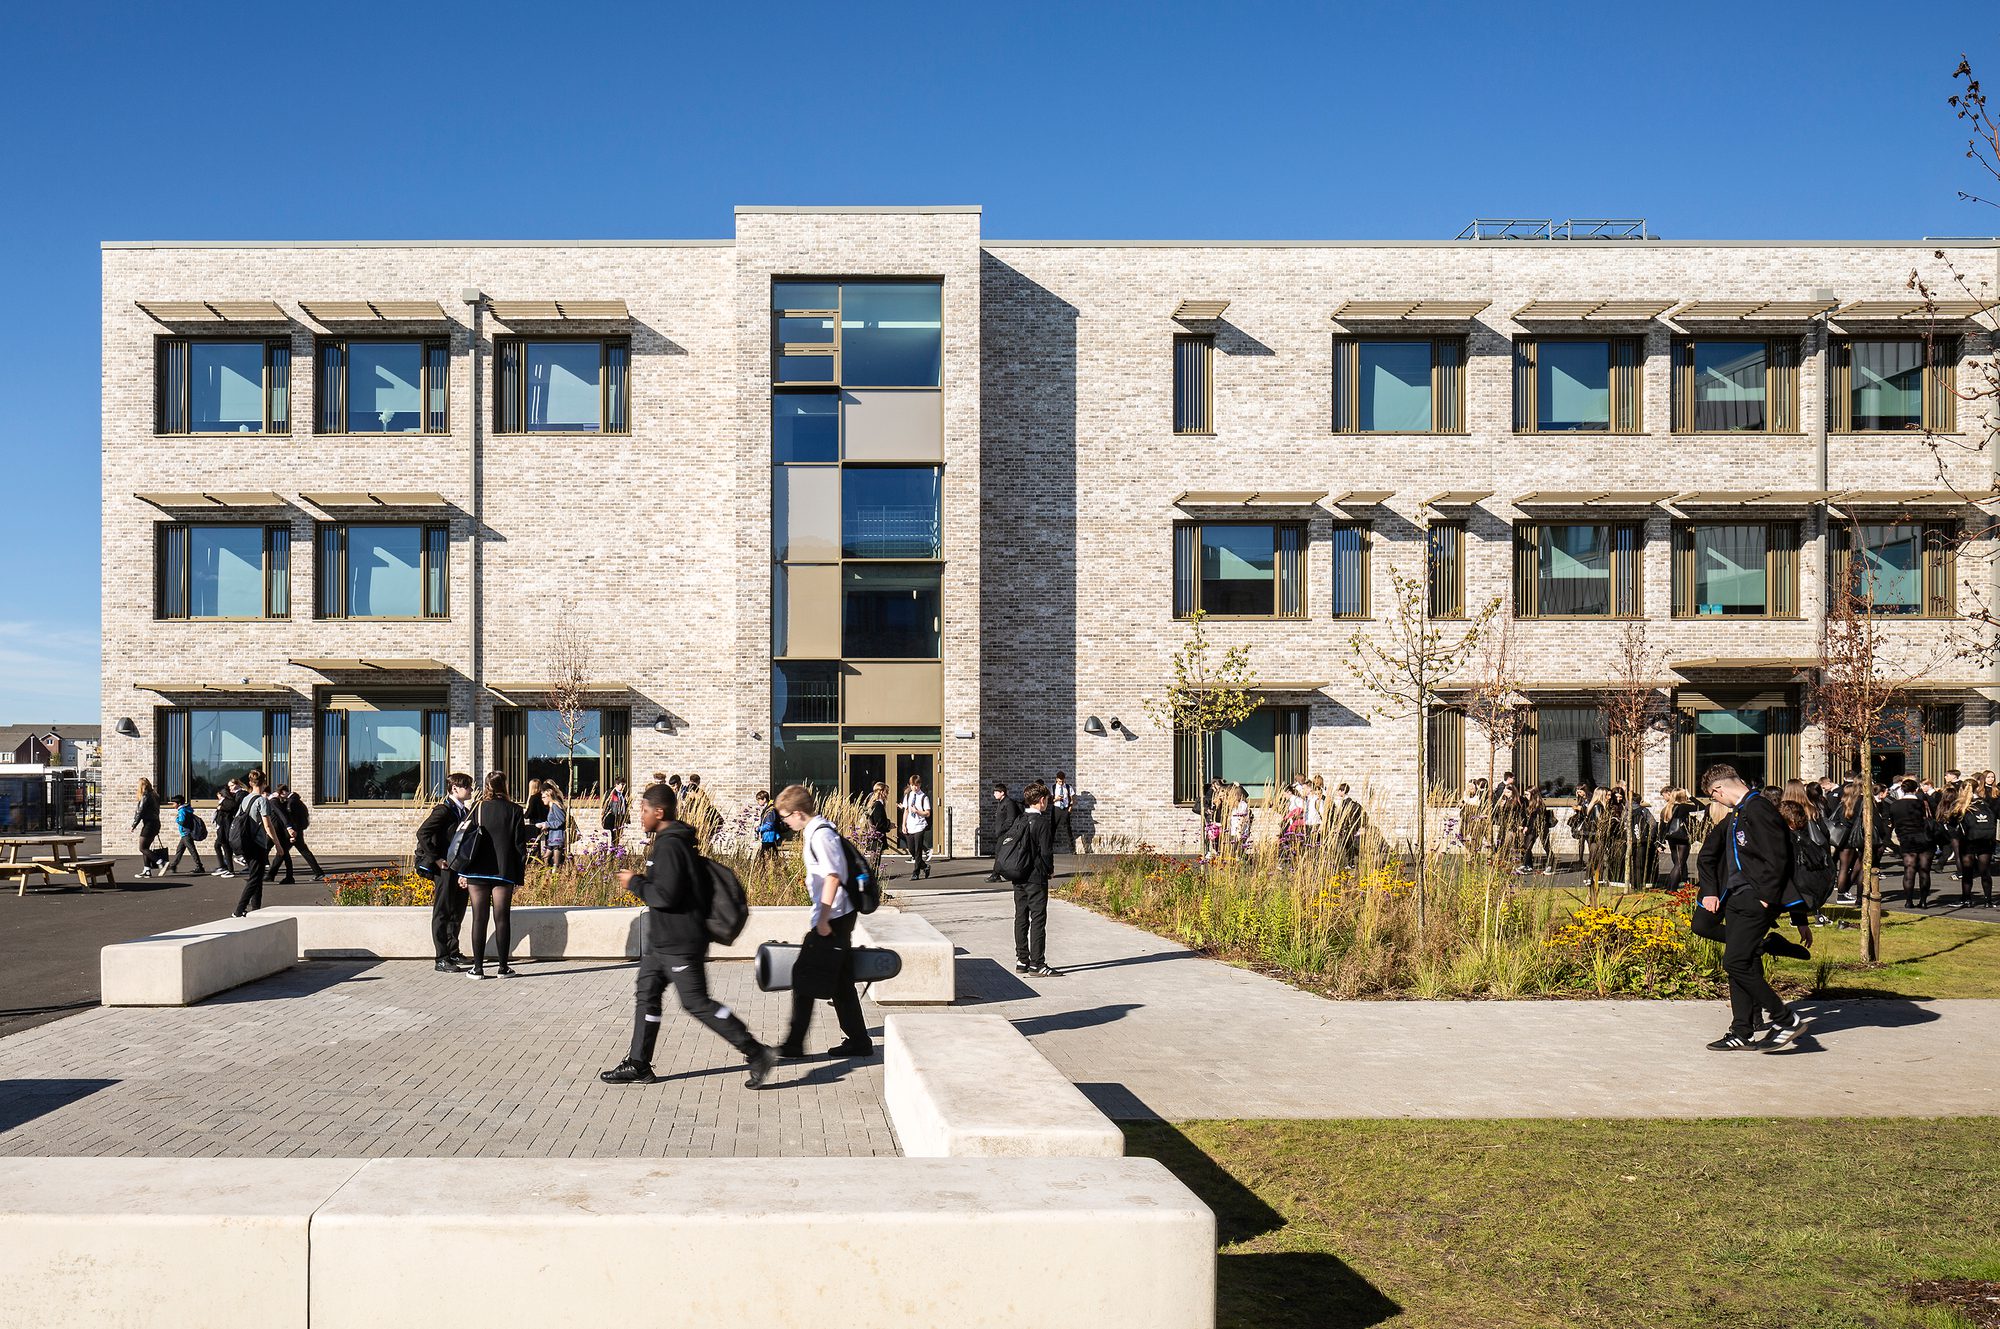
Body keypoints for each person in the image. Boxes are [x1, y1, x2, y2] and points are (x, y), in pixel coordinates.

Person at [600, 783, 779, 1088]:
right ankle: (639, 1064)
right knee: (647, 994)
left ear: (659, 812)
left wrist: (635, 882)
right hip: (662, 942)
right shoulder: (670, 842)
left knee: (696, 1002)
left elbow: (665, 896)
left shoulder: (670, 846)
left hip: (679, 943)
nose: (640, 815)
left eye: (644, 809)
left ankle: (757, 1052)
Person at [1696, 763, 1809, 1052]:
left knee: (1734, 962)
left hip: (1754, 898)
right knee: (1740, 964)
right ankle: (1742, 1031)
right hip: (1737, 897)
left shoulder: (1758, 808)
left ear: (1718, 789)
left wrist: (1766, 896)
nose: (1715, 800)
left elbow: (1779, 855)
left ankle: (1786, 1019)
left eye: (1713, 795)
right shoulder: (1741, 811)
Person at [773, 784, 873, 1059]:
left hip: (834, 918)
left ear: (797, 813)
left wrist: (823, 919)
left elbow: (832, 877)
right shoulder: (818, 832)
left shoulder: (821, 835)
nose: (785, 822)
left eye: (785, 816)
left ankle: (794, 1044)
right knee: (840, 981)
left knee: (803, 977)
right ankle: (859, 1041)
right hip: (836, 916)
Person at [459, 771, 531, 979]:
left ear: (486, 786)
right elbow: (520, 846)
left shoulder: (477, 807)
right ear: (504, 785)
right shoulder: (515, 810)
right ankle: (503, 967)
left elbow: (465, 839)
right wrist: (518, 876)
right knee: (502, 918)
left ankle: (478, 968)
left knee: (479, 918)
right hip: (503, 871)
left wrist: (462, 872)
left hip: (477, 871)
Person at [416, 773, 475, 973]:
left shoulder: (464, 810)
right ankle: (441, 957)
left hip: (458, 868)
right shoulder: (443, 810)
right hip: (444, 869)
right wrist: (436, 858)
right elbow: (422, 833)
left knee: (457, 910)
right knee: (442, 911)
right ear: (455, 789)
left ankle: (453, 951)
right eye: (467, 786)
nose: (470, 789)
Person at [1010, 780, 1059, 977]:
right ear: (1041, 800)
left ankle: (1022, 960)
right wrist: (1049, 870)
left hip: (1018, 875)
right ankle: (1037, 964)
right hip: (1036, 877)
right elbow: (1046, 852)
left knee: (1021, 917)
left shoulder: (1019, 819)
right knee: (1038, 919)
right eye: (1046, 799)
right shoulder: (1042, 823)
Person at [230, 769, 282, 917]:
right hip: (257, 843)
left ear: (250, 783)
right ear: (264, 783)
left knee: (257, 876)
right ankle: (239, 910)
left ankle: (256, 908)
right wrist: (277, 845)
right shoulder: (262, 801)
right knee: (255, 878)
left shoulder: (245, 799)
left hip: (245, 842)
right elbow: (268, 825)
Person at [1884, 777, 1934, 907]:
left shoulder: (1895, 805)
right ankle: (1923, 901)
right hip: (1924, 837)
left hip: (1906, 838)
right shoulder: (1922, 803)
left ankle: (1909, 901)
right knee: (1924, 870)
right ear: (1916, 789)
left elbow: (1893, 822)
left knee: (1909, 869)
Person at [1956, 776, 1997, 906]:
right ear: (1977, 788)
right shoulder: (1985, 803)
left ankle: (1966, 898)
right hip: (1985, 839)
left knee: (1967, 871)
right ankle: (1988, 900)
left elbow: (1952, 822)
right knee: (1985, 871)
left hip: (1968, 840)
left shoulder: (1961, 804)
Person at [985, 781, 1022, 883]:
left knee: (999, 853)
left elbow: (1010, 819)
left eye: (996, 792)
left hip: (1006, 833)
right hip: (1002, 833)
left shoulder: (1009, 803)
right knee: (1000, 854)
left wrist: (1002, 830)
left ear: (1002, 793)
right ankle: (998, 874)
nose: (994, 794)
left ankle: (995, 875)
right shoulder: (1002, 803)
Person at [1659, 787, 1696, 890]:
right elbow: (1701, 806)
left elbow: (1662, 826)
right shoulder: (1683, 807)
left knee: (1677, 863)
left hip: (1671, 838)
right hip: (1682, 837)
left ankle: (1669, 887)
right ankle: (1671, 889)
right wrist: (1691, 797)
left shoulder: (1668, 807)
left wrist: (1660, 841)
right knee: (1680, 864)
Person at [899, 773, 933, 880]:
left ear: (920, 785)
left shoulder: (924, 797)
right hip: (910, 825)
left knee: (918, 850)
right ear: (910, 785)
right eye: (913, 785)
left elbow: (927, 813)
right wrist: (903, 824)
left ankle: (916, 872)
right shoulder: (908, 796)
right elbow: (906, 811)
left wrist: (917, 811)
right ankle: (925, 866)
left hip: (920, 825)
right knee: (912, 849)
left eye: (917, 785)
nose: (915, 787)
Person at [132, 777, 165, 877]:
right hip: (155, 823)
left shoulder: (145, 796)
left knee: (142, 848)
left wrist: (134, 824)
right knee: (146, 848)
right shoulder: (155, 795)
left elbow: (140, 811)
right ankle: (147, 870)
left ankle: (160, 861)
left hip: (149, 824)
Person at [166, 794, 204, 875]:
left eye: (174, 803)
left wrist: (177, 819)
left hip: (186, 833)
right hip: (185, 833)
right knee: (179, 850)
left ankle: (199, 866)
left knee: (192, 850)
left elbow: (182, 822)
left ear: (179, 803)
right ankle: (173, 865)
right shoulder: (186, 809)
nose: (173, 805)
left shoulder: (182, 811)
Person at [210, 778, 241, 878]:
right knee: (220, 847)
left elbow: (232, 806)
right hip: (223, 829)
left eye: (218, 795)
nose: (217, 796)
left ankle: (229, 869)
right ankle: (224, 867)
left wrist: (221, 808)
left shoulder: (227, 801)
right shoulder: (225, 801)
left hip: (224, 829)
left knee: (226, 849)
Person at [862, 782, 891, 882]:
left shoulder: (872, 804)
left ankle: (874, 880)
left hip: (873, 836)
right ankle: (874, 882)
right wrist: (889, 825)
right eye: (886, 792)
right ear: (881, 792)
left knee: (874, 859)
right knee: (875, 861)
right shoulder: (878, 805)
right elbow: (879, 823)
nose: (887, 794)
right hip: (877, 837)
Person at [541, 785, 570, 867]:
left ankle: (555, 873)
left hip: (557, 837)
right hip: (552, 837)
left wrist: (547, 824)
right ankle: (547, 873)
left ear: (549, 797)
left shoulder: (555, 806)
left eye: (544, 797)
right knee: (546, 858)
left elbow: (561, 821)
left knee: (556, 862)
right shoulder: (552, 806)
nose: (542, 799)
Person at [753, 790, 781, 861]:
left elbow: (769, 825)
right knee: (772, 858)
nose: (758, 802)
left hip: (769, 838)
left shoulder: (770, 810)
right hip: (768, 837)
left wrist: (758, 829)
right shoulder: (767, 809)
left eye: (759, 799)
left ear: (764, 799)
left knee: (763, 860)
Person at [523, 779, 547, 858]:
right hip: (544, 821)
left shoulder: (533, 798)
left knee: (534, 841)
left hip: (535, 822)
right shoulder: (543, 797)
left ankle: (535, 856)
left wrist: (524, 815)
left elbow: (529, 812)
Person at [1051, 771, 1074, 854]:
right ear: (1057, 779)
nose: (1061, 783)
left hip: (1065, 809)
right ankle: (1049, 848)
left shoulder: (1068, 787)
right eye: (1060, 781)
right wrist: (1056, 799)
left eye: (1063, 781)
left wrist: (1069, 809)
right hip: (1056, 809)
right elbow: (1050, 800)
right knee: (1053, 828)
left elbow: (1072, 799)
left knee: (1068, 829)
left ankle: (1072, 849)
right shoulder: (1053, 787)